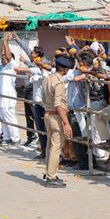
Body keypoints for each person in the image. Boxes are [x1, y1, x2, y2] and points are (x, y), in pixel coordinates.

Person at [41, 55, 74, 187]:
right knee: (56, 146)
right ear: (65, 69)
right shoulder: (59, 82)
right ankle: (52, 177)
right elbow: (59, 104)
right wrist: (66, 122)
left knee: (50, 145)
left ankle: (49, 171)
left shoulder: (48, 78)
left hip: (47, 114)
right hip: (56, 116)